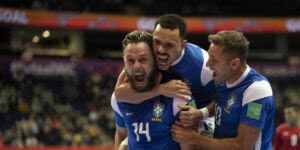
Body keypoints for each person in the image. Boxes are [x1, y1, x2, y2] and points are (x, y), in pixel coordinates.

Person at [172, 30, 275, 150]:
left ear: (234, 64)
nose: (208, 65)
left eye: (214, 60)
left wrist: (194, 138)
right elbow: (222, 102)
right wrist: (201, 113)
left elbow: (243, 146)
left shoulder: (257, 90)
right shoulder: (223, 78)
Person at [114, 14, 215, 128]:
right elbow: (119, 94)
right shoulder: (146, 53)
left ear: (182, 45)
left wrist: (201, 113)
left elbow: (224, 99)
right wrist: (161, 89)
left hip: (201, 119)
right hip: (160, 119)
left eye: (169, 45)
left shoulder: (204, 64)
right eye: (157, 42)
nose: (161, 50)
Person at [111, 30, 193, 150]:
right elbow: (121, 133)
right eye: (130, 60)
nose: (137, 66)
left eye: (143, 60)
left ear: (155, 60)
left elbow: (189, 145)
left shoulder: (178, 94)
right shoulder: (118, 98)